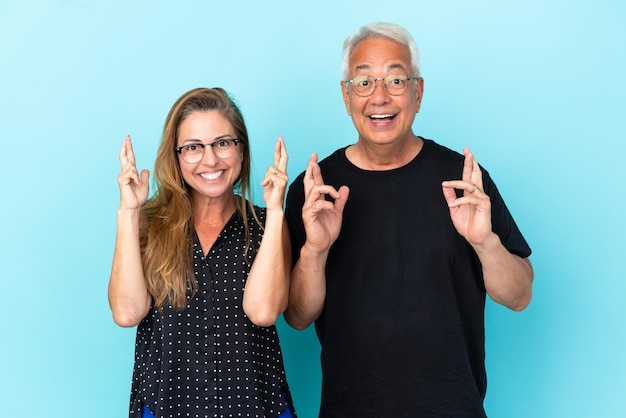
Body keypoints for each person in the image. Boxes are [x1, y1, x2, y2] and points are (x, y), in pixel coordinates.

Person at [284, 22, 534, 417]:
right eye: (363, 82)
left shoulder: (464, 178)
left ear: (418, 92)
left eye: (396, 80)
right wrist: (315, 251)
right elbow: (297, 317)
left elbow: (520, 296)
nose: (379, 97)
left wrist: (485, 242)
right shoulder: (315, 190)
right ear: (346, 96)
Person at [108, 87, 296, 418]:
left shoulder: (268, 223)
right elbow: (127, 313)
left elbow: (263, 312)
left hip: (255, 406)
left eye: (223, 143)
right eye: (193, 148)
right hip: (167, 406)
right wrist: (128, 212)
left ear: (241, 150)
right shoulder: (148, 224)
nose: (210, 160)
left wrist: (277, 210)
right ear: (176, 156)